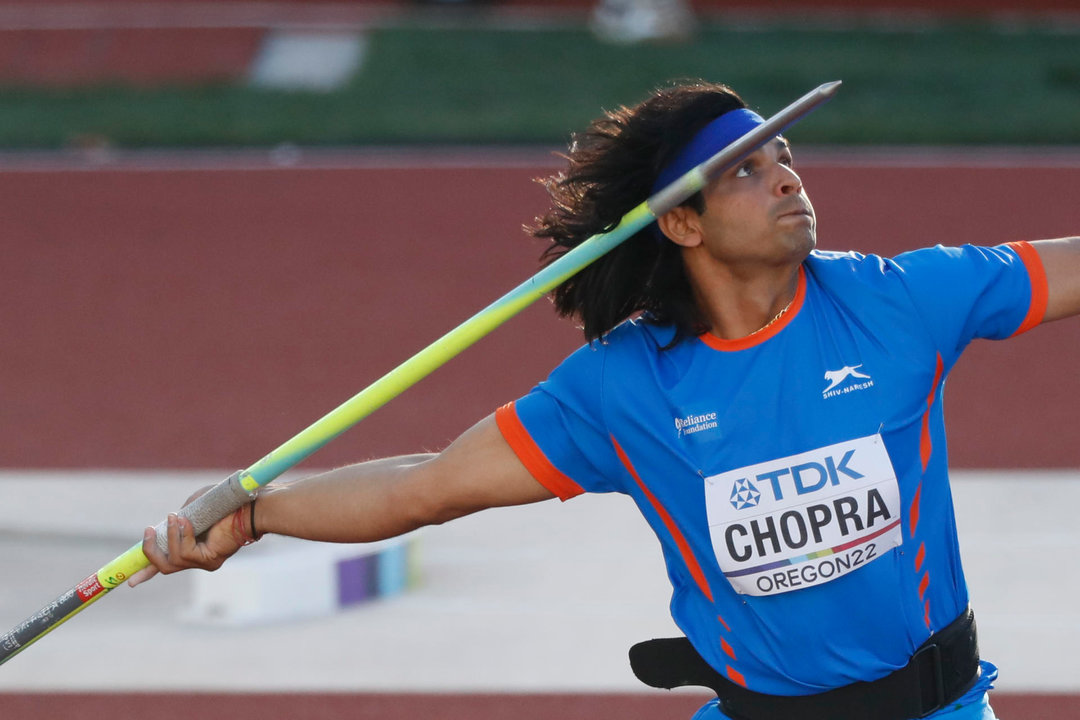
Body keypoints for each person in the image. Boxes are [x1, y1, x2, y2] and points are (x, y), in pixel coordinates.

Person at [130, 81, 1080, 720]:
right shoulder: (624, 386)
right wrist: (256, 514)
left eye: (783, 155)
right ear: (681, 222)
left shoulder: (899, 301)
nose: (786, 175)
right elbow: (427, 485)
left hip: (940, 707)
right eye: (745, 168)